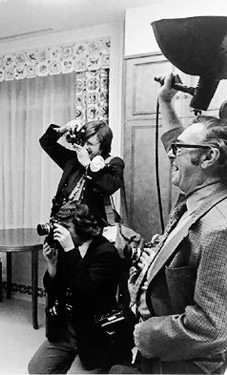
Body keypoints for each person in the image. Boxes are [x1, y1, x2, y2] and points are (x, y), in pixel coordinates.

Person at [112, 72, 227, 374]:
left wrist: (145, 334)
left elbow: (211, 327)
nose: (171, 154)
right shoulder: (198, 192)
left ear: (209, 158)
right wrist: (166, 101)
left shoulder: (220, 228)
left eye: (179, 150)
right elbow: (178, 142)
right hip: (165, 354)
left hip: (183, 364)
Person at [28, 201, 130, 374]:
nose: (62, 233)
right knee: (36, 369)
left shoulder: (105, 252)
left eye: (66, 227)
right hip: (66, 327)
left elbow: (86, 291)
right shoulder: (66, 248)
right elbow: (55, 291)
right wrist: (52, 266)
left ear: (82, 228)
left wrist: (70, 251)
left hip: (94, 332)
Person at [40, 119, 124, 224]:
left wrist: (88, 165)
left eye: (90, 144)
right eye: (83, 142)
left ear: (103, 146)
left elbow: (110, 187)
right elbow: (46, 142)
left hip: (90, 229)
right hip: (62, 222)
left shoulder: (114, 163)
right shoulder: (73, 160)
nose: (84, 147)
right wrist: (64, 129)